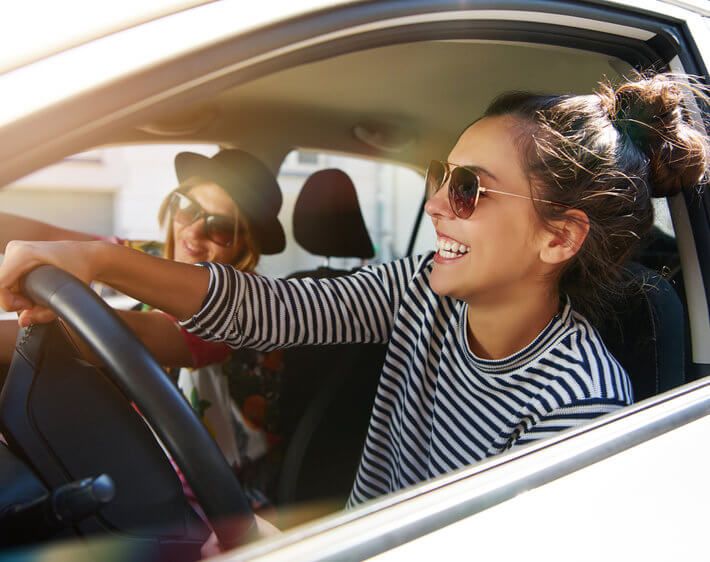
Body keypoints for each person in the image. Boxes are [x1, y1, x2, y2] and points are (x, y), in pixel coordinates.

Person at [0, 73, 707, 508]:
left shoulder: (579, 405)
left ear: (558, 238)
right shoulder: (420, 292)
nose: (435, 205)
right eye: (438, 174)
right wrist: (97, 260)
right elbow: (269, 311)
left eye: (467, 189)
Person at [0, 149, 287, 508]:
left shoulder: (243, 306)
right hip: (150, 465)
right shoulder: (154, 258)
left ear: (246, 245)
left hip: (219, 501)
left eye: (220, 228)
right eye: (187, 209)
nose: (194, 233)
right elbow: (54, 240)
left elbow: (129, 336)